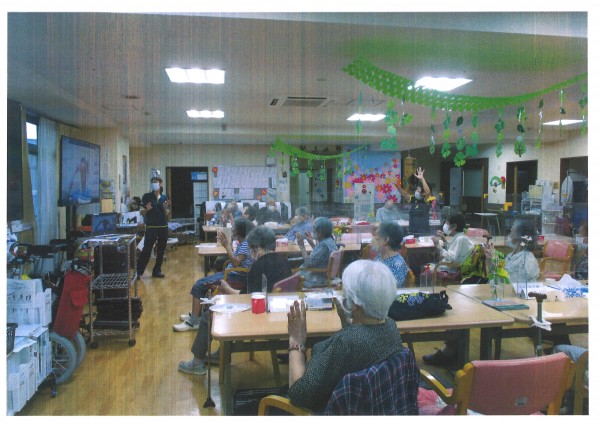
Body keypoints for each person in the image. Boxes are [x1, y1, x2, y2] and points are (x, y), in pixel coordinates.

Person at [286, 260, 417, 413]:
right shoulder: (391, 327)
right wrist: (349, 326)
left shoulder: (346, 343)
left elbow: (299, 394)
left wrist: (296, 341)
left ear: (354, 304)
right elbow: (362, 352)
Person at [423, 219, 540, 367]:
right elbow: (499, 278)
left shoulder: (525, 261)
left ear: (519, 237)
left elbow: (508, 287)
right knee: (460, 303)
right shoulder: (514, 255)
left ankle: (451, 352)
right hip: (499, 296)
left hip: (512, 303)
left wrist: (492, 264)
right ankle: (452, 349)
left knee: (463, 309)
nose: (509, 234)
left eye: (512, 232)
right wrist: (491, 260)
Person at [178, 226, 292, 375]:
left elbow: (247, 297)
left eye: (251, 249)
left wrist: (226, 289)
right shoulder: (284, 262)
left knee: (208, 315)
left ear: (258, 248)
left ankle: (197, 362)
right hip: (278, 313)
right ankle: (220, 354)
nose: (251, 253)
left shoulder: (258, 266)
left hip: (259, 315)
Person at [173, 218, 254, 332]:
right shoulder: (244, 243)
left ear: (239, 231)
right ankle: (196, 314)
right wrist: (228, 246)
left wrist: (227, 246)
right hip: (232, 274)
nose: (232, 230)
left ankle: (193, 321)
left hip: (235, 277)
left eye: (234, 228)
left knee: (199, 286)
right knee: (200, 282)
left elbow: (236, 262)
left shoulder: (245, 244)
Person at [137, 176, 170, 279]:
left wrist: (165, 208)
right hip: (151, 227)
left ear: (161, 184)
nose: (154, 184)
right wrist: (146, 209)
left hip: (163, 227)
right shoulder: (146, 196)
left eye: (156, 182)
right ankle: (138, 272)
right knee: (147, 249)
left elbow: (167, 215)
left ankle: (157, 271)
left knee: (161, 250)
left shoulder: (164, 198)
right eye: (152, 182)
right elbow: (141, 212)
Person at [430, 212, 474, 282]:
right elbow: (454, 251)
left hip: (453, 270)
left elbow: (451, 258)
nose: (445, 226)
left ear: (454, 227)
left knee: (425, 270)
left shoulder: (460, 239)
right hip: (452, 267)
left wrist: (438, 246)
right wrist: (444, 240)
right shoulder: (460, 237)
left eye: (447, 223)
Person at [295, 216, 338, 288]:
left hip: (318, 278)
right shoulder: (329, 241)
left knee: (294, 274)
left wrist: (301, 246)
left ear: (319, 233)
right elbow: (321, 257)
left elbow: (308, 264)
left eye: (313, 229)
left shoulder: (323, 245)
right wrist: (312, 243)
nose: (312, 231)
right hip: (325, 275)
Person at [394, 167, 432, 236]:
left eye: (418, 189)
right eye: (416, 189)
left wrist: (422, 179)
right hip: (412, 229)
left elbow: (428, 192)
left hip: (423, 230)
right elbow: (405, 194)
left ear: (423, 192)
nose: (416, 191)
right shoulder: (413, 198)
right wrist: (397, 186)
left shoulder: (426, 200)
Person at [372, 221, 409, 287]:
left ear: (385, 240)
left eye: (376, 236)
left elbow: (387, 290)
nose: (372, 239)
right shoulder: (380, 257)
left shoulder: (396, 265)